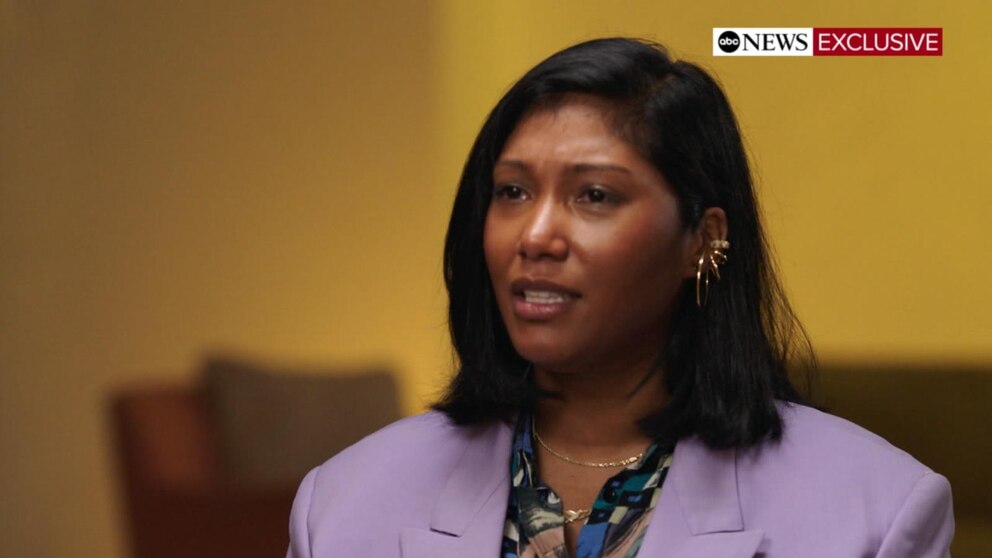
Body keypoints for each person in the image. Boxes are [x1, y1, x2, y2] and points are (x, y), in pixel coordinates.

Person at [287, 38, 954, 558]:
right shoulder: (342, 504)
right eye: (512, 191)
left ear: (702, 239)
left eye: (595, 195)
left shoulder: (878, 509)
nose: (536, 236)